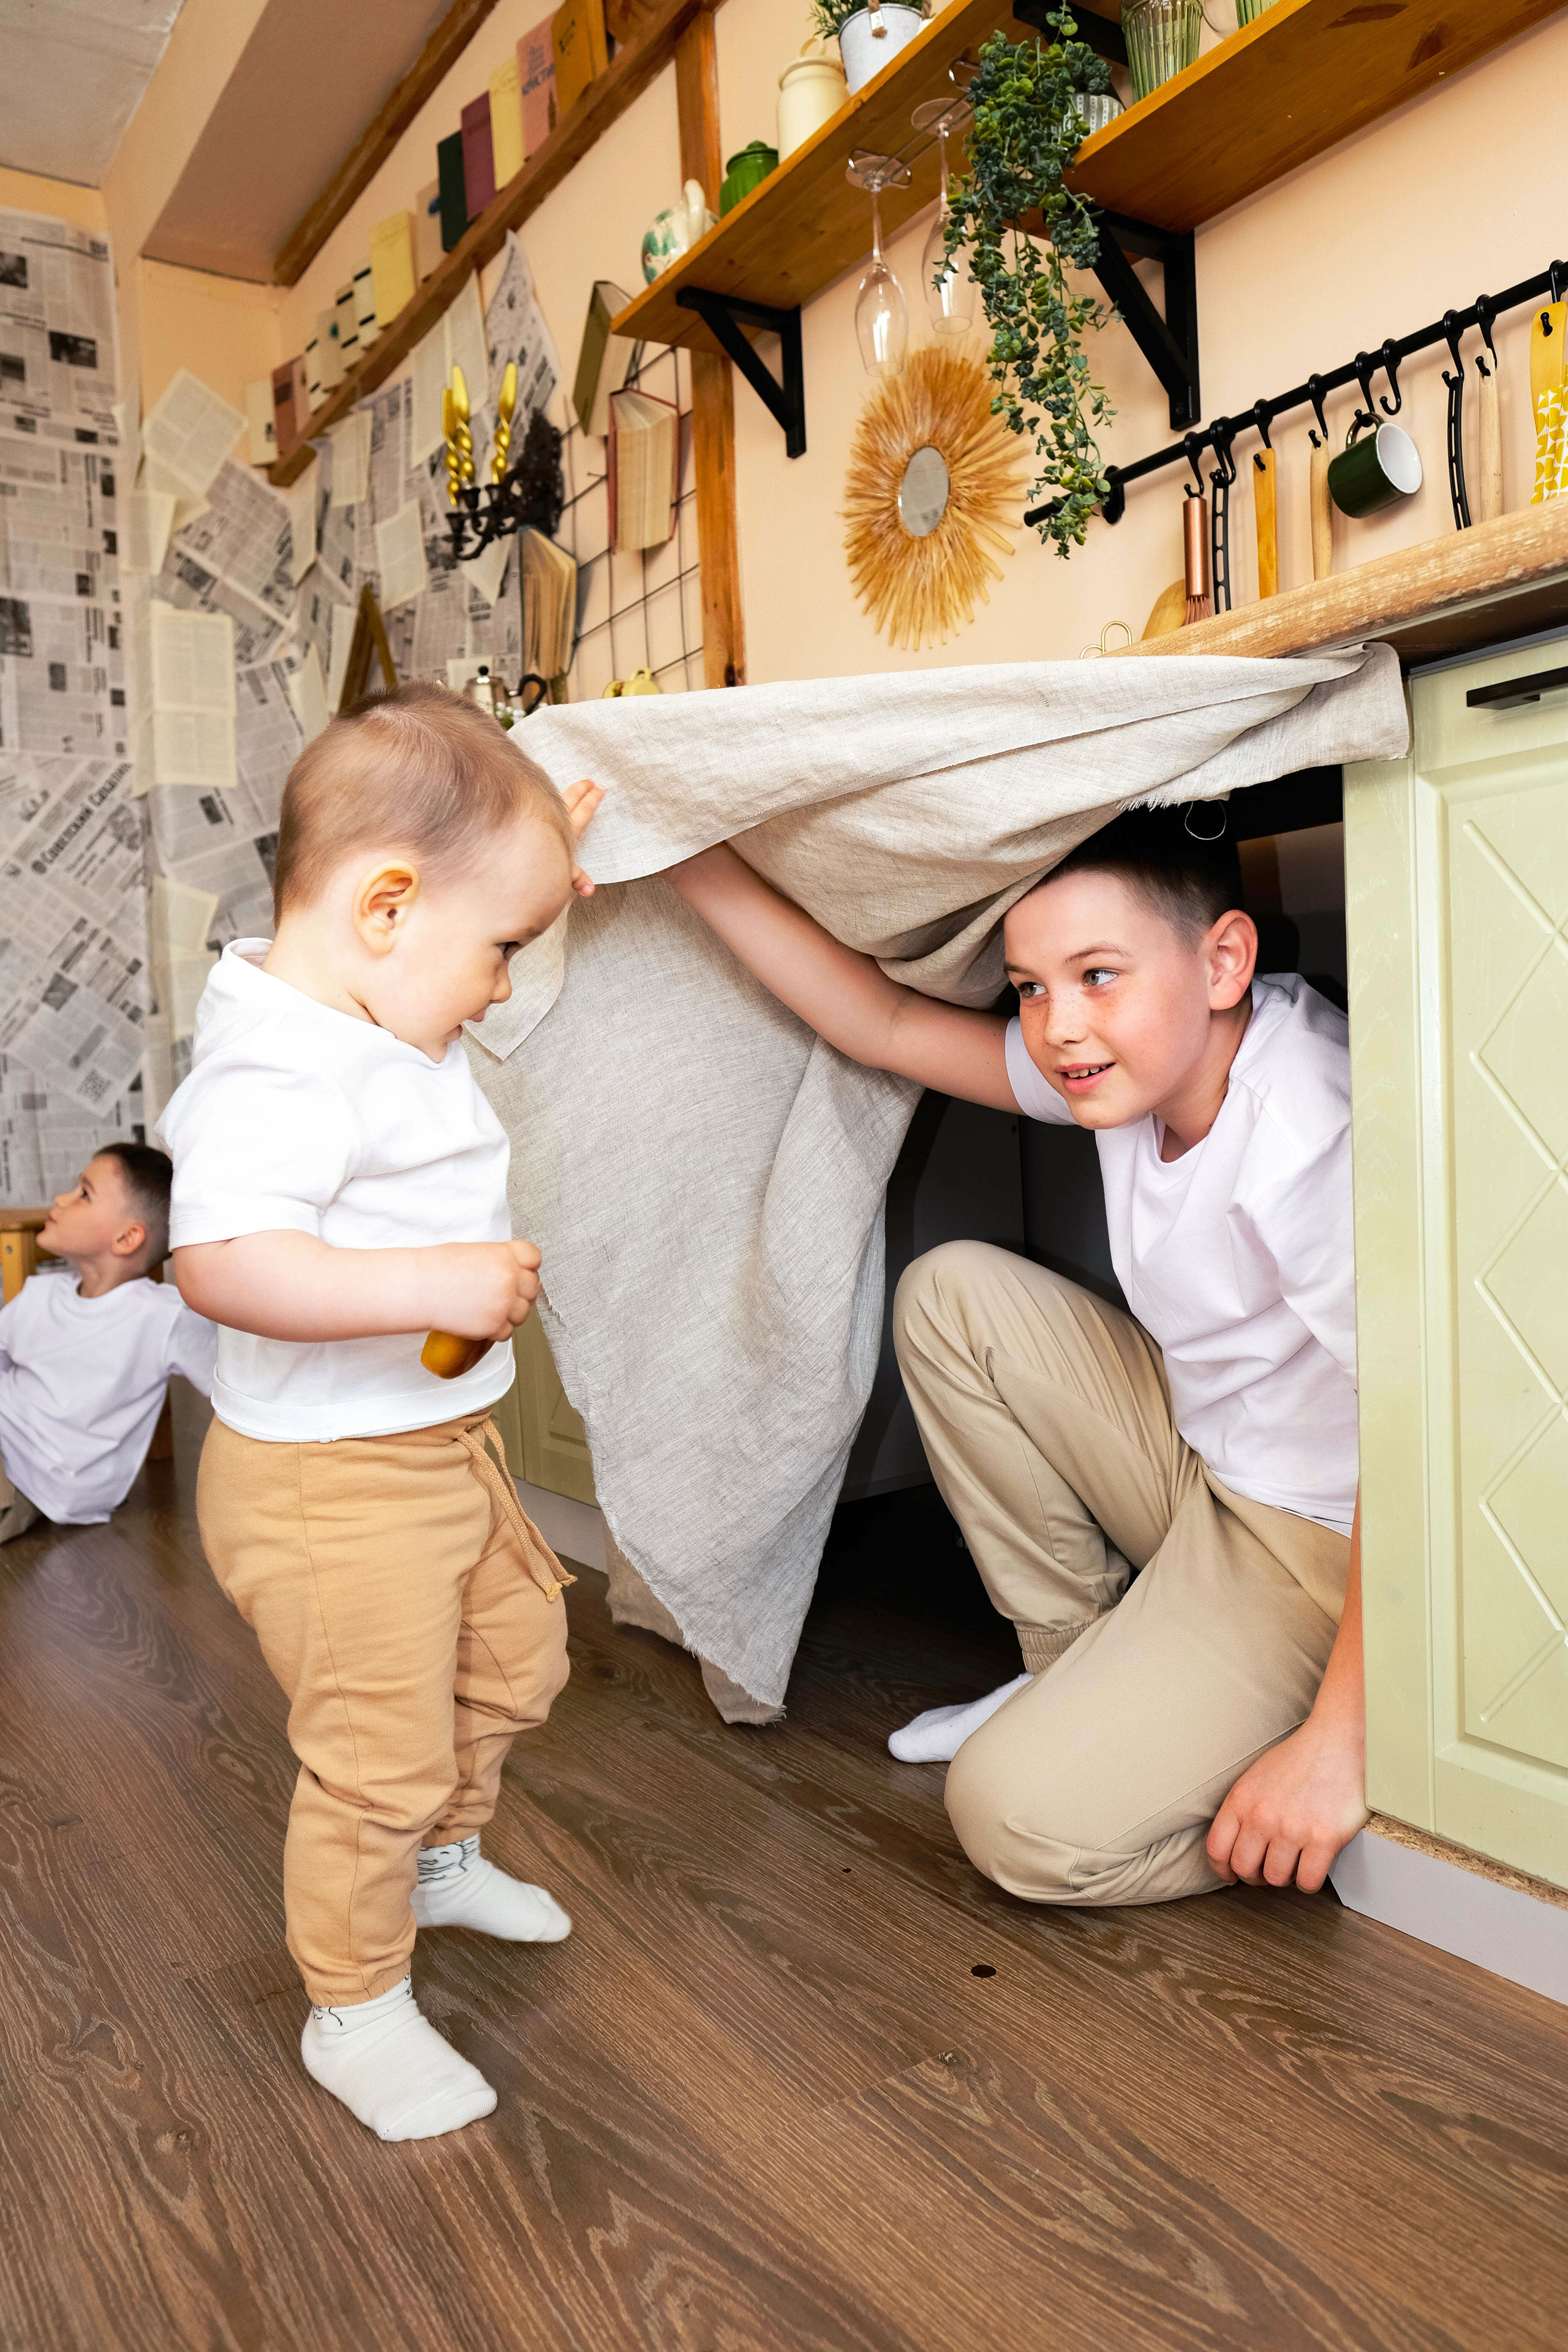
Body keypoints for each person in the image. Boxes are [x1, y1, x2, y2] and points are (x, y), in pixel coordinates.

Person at [668, 807, 1366, 1909]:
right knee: (953, 1298)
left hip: (1334, 1554)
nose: (1057, 1027)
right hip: (1210, 1478)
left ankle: (1340, 1799)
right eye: (1033, 987)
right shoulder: (1140, 1059)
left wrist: (1338, 1741)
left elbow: (1432, 1460)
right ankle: (1073, 1666)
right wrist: (689, 859)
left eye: (1096, 975)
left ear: (1224, 960)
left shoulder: (1305, 1133)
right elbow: (885, 1024)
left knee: (1015, 1822)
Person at [160, 683, 603, 2144]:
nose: (498, 985)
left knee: (519, 1651)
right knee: (377, 1752)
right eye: (502, 951)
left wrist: (542, 864)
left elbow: (455, 948)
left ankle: (438, 1855)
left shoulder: (384, 992)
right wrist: (427, 1277)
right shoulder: (276, 1065)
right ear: (387, 907)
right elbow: (220, 1260)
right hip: (326, 1482)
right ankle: (352, 2004)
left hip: (436, 1447)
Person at [0, 1144, 216, 1539]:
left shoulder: (160, 1315)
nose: (61, 1199)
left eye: (84, 1193)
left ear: (127, 1238)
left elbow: (232, 1384)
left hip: (33, 1478)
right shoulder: (39, 1294)